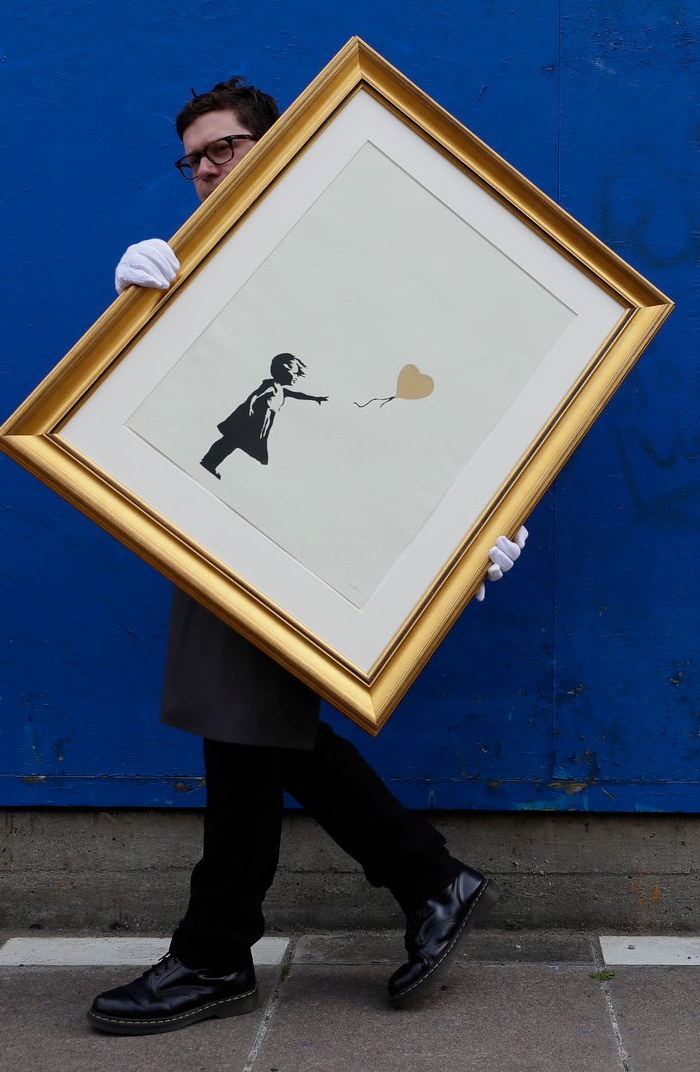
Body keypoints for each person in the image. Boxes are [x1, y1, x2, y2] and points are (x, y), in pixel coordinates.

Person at [87, 77, 530, 1036]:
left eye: (226, 146)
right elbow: (155, 402)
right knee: (250, 730)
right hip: (224, 532)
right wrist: (130, 312)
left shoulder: (340, 252)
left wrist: (486, 517)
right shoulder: (190, 264)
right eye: (194, 155)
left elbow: (418, 386)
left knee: (245, 729)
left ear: (277, 141)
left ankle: (221, 950)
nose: (206, 167)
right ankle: (420, 881)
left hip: (311, 533)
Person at [200, 352, 325, 479]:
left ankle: (210, 463)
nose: (297, 377)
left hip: (260, 425)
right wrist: (249, 406)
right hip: (249, 422)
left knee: (232, 443)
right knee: (229, 442)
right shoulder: (271, 386)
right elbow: (255, 395)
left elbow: (298, 395)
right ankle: (208, 462)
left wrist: (315, 398)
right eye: (295, 373)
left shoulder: (282, 391)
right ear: (283, 371)